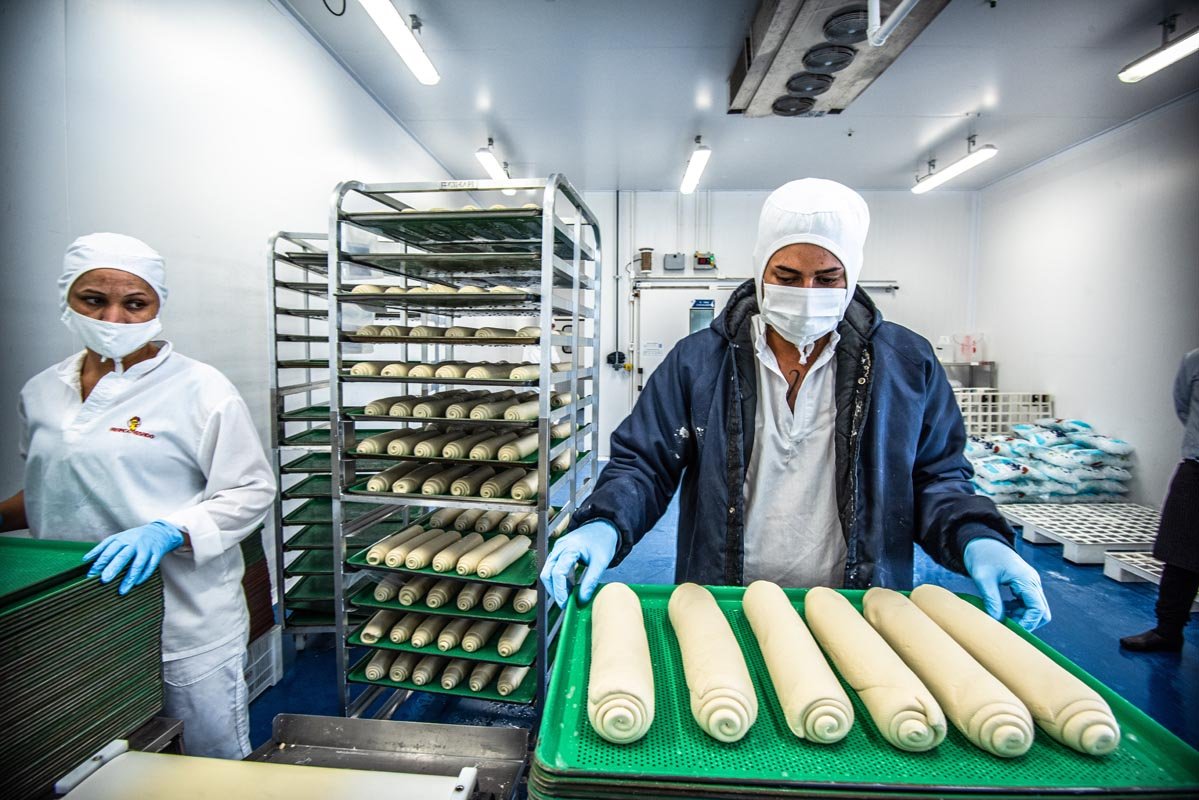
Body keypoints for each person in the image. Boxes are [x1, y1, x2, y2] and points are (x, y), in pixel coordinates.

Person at [541, 179, 1050, 630]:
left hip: (861, 607)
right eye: (786, 276)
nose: (807, 293)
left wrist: (976, 535)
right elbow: (645, 463)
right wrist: (603, 523)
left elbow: (936, 476)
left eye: (827, 279)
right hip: (723, 604)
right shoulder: (699, 362)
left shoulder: (905, 363)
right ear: (761, 269)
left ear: (852, 277)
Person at [0, 233, 275, 758]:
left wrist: (170, 529)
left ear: (157, 306)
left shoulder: (201, 388)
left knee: (206, 762)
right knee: (98, 757)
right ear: (68, 300)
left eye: (134, 303)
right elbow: (48, 485)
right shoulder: (40, 392)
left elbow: (251, 490)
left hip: (182, 614)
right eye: (94, 300)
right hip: (76, 611)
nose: (114, 319)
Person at [1120, 349, 1199, 652]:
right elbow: (1183, 406)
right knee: (1179, 554)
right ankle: (1168, 629)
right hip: (1195, 467)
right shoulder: (1193, 360)